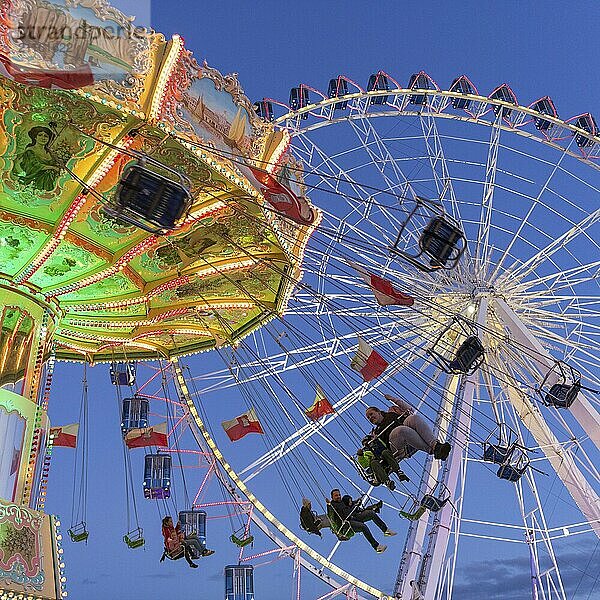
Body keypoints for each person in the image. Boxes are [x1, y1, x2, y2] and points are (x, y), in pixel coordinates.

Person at [366, 394, 451, 461]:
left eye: (371, 414)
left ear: (378, 412)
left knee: (413, 418)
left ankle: (436, 445)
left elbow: (410, 410)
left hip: (406, 432)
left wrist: (393, 399)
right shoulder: (376, 432)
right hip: (395, 445)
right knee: (400, 430)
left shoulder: (392, 412)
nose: (370, 417)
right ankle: (432, 449)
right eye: (368, 417)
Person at [326, 489, 395, 553]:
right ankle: (377, 547)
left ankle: (386, 530)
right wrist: (328, 505)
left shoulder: (343, 502)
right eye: (336, 495)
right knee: (363, 527)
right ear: (332, 497)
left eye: (339, 495)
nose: (338, 496)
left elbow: (352, 503)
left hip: (353, 518)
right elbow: (330, 515)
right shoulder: (332, 505)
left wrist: (358, 500)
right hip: (346, 525)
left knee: (371, 513)